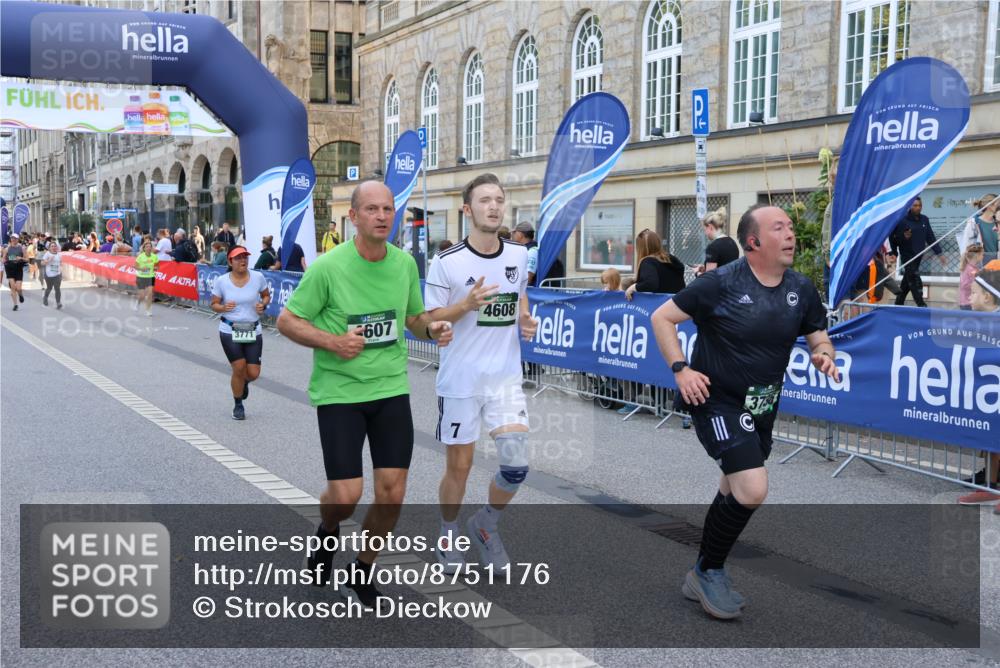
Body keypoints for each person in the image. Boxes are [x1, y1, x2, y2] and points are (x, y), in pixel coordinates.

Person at [651, 204, 839, 620]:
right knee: (752, 489)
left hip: (763, 404)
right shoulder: (719, 283)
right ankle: (710, 570)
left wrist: (824, 355)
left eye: (791, 225)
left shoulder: (801, 289)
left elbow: (818, 339)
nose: (790, 233)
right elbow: (662, 318)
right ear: (753, 242)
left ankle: (701, 571)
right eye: (779, 227)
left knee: (732, 489)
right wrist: (681, 370)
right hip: (716, 399)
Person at [276, 180, 453, 608]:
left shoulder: (404, 264)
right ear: (352, 217)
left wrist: (432, 328)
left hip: (391, 388)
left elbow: (412, 317)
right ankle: (328, 528)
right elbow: (286, 320)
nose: (381, 216)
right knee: (346, 495)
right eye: (371, 209)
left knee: (393, 491)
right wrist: (334, 342)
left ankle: (362, 569)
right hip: (339, 392)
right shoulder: (328, 267)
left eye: (388, 209)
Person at [424, 173, 537, 573]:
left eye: (499, 200)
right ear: (467, 209)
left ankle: (485, 524)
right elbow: (431, 316)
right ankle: (448, 530)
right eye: (485, 200)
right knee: (460, 467)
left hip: (504, 377)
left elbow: (519, 295)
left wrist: (525, 319)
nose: (494, 206)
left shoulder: (519, 255)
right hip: (462, 379)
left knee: (516, 465)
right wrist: (465, 306)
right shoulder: (447, 261)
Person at [957, 264, 1000, 513]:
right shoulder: (979, 322)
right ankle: (991, 485)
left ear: (987, 296)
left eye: (972, 293)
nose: (968, 297)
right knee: (991, 440)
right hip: (989, 391)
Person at [211, 246, 271, 421]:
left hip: (252, 328)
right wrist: (222, 307)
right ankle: (238, 404)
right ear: (230, 261)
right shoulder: (222, 281)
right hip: (230, 329)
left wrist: (263, 304)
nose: (243, 261)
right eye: (238, 258)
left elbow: (266, 296)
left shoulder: (258, 277)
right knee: (238, 367)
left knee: (253, 373)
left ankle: (242, 383)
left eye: (245, 257)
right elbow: (213, 303)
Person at [889, 197, 947, 307]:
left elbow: (930, 237)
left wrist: (939, 253)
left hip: (919, 255)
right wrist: (901, 241)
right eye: (915, 205)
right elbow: (893, 239)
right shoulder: (902, 221)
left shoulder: (924, 219)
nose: (918, 208)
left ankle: (898, 303)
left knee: (907, 280)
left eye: (919, 205)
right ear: (910, 206)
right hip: (907, 255)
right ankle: (921, 305)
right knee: (915, 279)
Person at [625, 229, 685, 300]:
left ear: (641, 248)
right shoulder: (670, 259)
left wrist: (634, 287)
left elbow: (651, 283)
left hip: (662, 305)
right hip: (680, 303)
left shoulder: (648, 261)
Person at [697, 207, 740, 275]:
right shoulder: (732, 242)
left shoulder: (713, 247)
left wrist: (697, 273)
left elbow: (709, 278)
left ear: (710, 227)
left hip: (720, 285)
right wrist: (705, 267)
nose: (705, 233)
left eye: (704, 229)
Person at [959, 193, 998, 260]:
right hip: (981, 264)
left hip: (997, 263)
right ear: (989, 206)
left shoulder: (997, 222)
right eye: (998, 205)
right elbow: (966, 245)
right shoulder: (973, 223)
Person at [134, 238, 159, 316]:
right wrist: (142, 269)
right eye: (147, 247)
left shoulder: (154, 257)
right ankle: (138, 303)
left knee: (150, 294)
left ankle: (148, 310)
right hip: (141, 277)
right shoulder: (140, 257)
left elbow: (157, 266)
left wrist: (155, 268)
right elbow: (135, 267)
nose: (148, 248)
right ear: (144, 248)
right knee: (142, 295)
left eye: (150, 247)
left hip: (150, 276)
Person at [3, 233, 27, 310]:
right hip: (10, 268)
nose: (13, 240)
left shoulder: (22, 248)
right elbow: (3, 259)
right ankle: (15, 305)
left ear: (18, 239)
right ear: (11, 239)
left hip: (18, 268)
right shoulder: (7, 249)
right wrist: (4, 261)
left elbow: (27, 259)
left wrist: (20, 258)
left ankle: (20, 294)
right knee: (13, 287)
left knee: (18, 288)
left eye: (15, 238)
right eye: (12, 238)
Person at [958, 243, 984, 310]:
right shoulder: (969, 269)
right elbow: (964, 285)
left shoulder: (973, 268)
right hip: (967, 303)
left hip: (969, 302)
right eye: (982, 254)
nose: (983, 256)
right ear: (977, 255)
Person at [40, 241, 64, 309]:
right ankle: (45, 297)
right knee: (49, 288)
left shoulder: (59, 255)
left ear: (57, 247)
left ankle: (58, 303)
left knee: (57, 288)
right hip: (49, 275)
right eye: (52, 246)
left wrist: (61, 267)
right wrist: (48, 260)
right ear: (49, 248)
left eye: (55, 246)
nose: (54, 247)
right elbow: (42, 263)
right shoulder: (47, 254)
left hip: (57, 274)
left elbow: (61, 263)